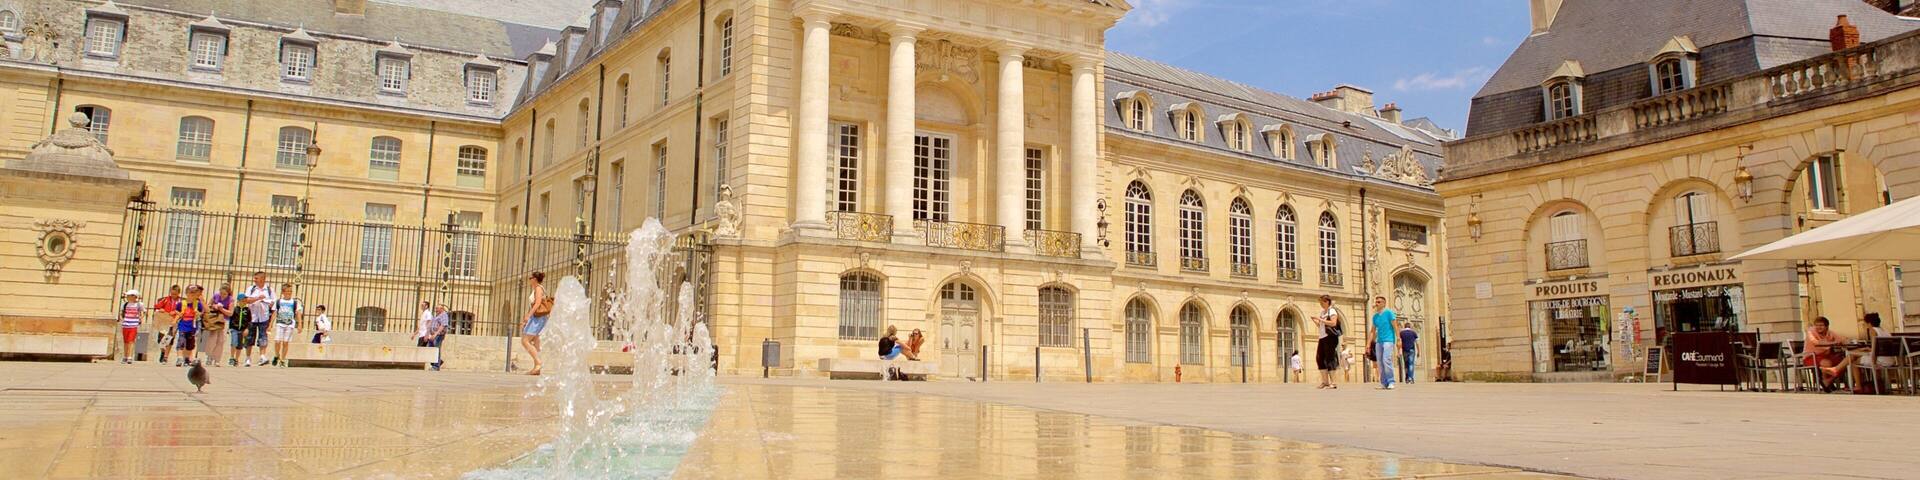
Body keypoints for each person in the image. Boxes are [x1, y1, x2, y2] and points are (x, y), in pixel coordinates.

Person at [1805, 317, 1854, 392]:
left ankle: (1828, 381)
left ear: (1826, 326)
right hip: (1811, 356)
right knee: (1827, 363)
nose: (1818, 327)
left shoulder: (1830, 332)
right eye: (1817, 325)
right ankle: (1826, 381)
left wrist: (1847, 341)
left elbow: (1841, 339)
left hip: (1827, 356)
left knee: (1845, 361)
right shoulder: (1811, 331)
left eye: (1821, 325)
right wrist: (1833, 343)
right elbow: (1815, 342)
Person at [238, 272, 275, 367]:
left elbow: (273, 303)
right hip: (252, 316)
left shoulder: (270, 290)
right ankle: (248, 358)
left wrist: (269, 303)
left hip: (264, 316)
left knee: (263, 337)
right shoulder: (251, 289)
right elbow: (246, 300)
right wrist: (258, 298)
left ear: (262, 279)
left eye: (256, 278)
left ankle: (262, 356)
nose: (255, 280)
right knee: (249, 338)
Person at [1311, 295, 1344, 390]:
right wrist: (1316, 321)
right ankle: (1325, 382)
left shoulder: (1332, 311)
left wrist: (1321, 319)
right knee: (1319, 358)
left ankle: (1333, 382)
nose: (1320, 303)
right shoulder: (1322, 312)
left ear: (1327, 302)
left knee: (1330, 358)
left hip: (1330, 337)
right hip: (1322, 337)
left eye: (1322, 301)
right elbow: (1321, 326)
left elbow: (1333, 323)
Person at [520, 272, 549, 376]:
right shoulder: (537, 288)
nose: (529, 279)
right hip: (538, 317)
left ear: (535, 279)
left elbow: (537, 304)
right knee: (536, 342)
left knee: (525, 340)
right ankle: (537, 367)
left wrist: (528, 316)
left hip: (537, 317)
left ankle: (538, 363)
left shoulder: (538, 288)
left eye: (530, 277)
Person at [269, 283, 301, 368]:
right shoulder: (279, 302)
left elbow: (298, 313)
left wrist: (300, 325)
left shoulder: (295, 302)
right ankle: (276, 355)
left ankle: (283, 359)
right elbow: (275, 313)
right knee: (277, 341)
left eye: (290, 291)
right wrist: (270, 324)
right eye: (287, 291)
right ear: (283, 292)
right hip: (280, 323)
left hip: (290, 324)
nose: (289, 293)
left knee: (286, 342)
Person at [173, 285, 205, 367]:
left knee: (190, 343)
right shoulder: (182, 303)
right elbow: (177, 310)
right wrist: (176, 317)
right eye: (191, 292)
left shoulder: (198, 304)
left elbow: (202, 311)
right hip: (183, 325)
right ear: (186, 293)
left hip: (192, 326)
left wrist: (199, 313)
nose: (192, 294)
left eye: (194, 293)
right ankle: (179, 358)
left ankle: (187, 358)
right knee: (181, 341)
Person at [203, 285, 233, 367]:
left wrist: (221, 309)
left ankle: (217, 359)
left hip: (224, 320)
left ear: (228, 293)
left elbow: (230, 313)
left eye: (224, 294)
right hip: (214, 319)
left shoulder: (230, 299)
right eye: (221, 293)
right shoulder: (216, 295)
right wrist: (214, 306)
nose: (222, 295)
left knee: (220, 341)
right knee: (212, 339)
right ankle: (209, 357)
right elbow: (208, 306)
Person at [1371, 296, 1397, 389]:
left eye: (1379, 302)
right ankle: (1383, 382)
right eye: (1376, 302)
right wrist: (1368, 344)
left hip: (1388, 340)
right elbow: (1372, 331)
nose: (1376, 304)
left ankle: (1391, 381)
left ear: (1384, 304)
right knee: (1380, 362)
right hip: (1379, 341)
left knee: (1386, 359)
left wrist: (1399, 339)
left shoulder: (1389, 313)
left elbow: (1395, 326)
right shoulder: (1375, 316)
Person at [154, 285, 183, 364]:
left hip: (174, 322)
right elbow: (156, 307)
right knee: (160, 339)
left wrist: (175, 312)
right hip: (164, 322)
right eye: (172, 293)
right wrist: (161, 309)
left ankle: (165, 357)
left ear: (178, 293)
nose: (173, 295)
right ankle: (163, 351)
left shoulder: (180, 301)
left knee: (169, 339)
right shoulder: (165, 299)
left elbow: (183, 311)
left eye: (175, 294)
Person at [117, 290, 144, 364]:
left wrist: (140, 319)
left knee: (131, 341)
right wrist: (122, 319)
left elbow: (142, 312)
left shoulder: (139, 304)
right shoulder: (125, 304)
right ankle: (125, 356)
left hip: (133, 325)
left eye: (129, 296)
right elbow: (122, 313)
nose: (128, 297)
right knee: (125, 341)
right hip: (125, 325)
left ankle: (129, 357)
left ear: (134, 296)